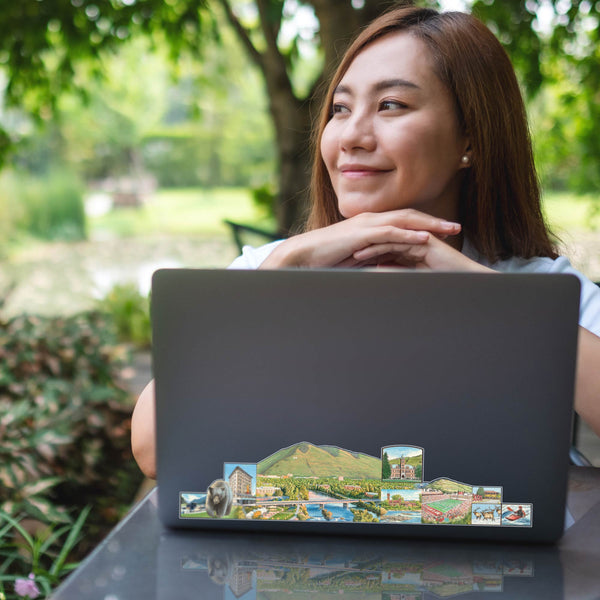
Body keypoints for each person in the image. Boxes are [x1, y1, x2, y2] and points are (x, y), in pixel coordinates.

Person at [131, 5, 600, 479]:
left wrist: (481, 293)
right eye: (340, 108)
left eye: (391, 105)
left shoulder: (544, 289)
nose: (352, 135)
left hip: (509, 552)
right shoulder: (266, 271)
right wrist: (283, 269)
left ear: (471, 139)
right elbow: (154, 451)